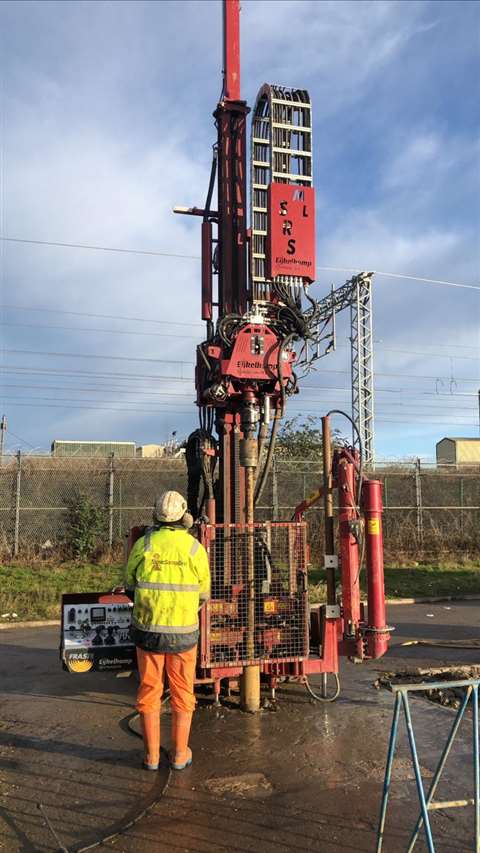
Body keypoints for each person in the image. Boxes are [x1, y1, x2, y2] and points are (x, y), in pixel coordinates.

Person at [125, 490, 210, 771]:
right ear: (184, 516)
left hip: (148, 632)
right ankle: (179, 754)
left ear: (156, 515)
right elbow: (204, 593)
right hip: (184, 635)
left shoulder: (144, 544)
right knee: (182, 692)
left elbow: (129, 585)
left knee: (150, 689)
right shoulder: (195, 548)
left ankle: (150, 757)